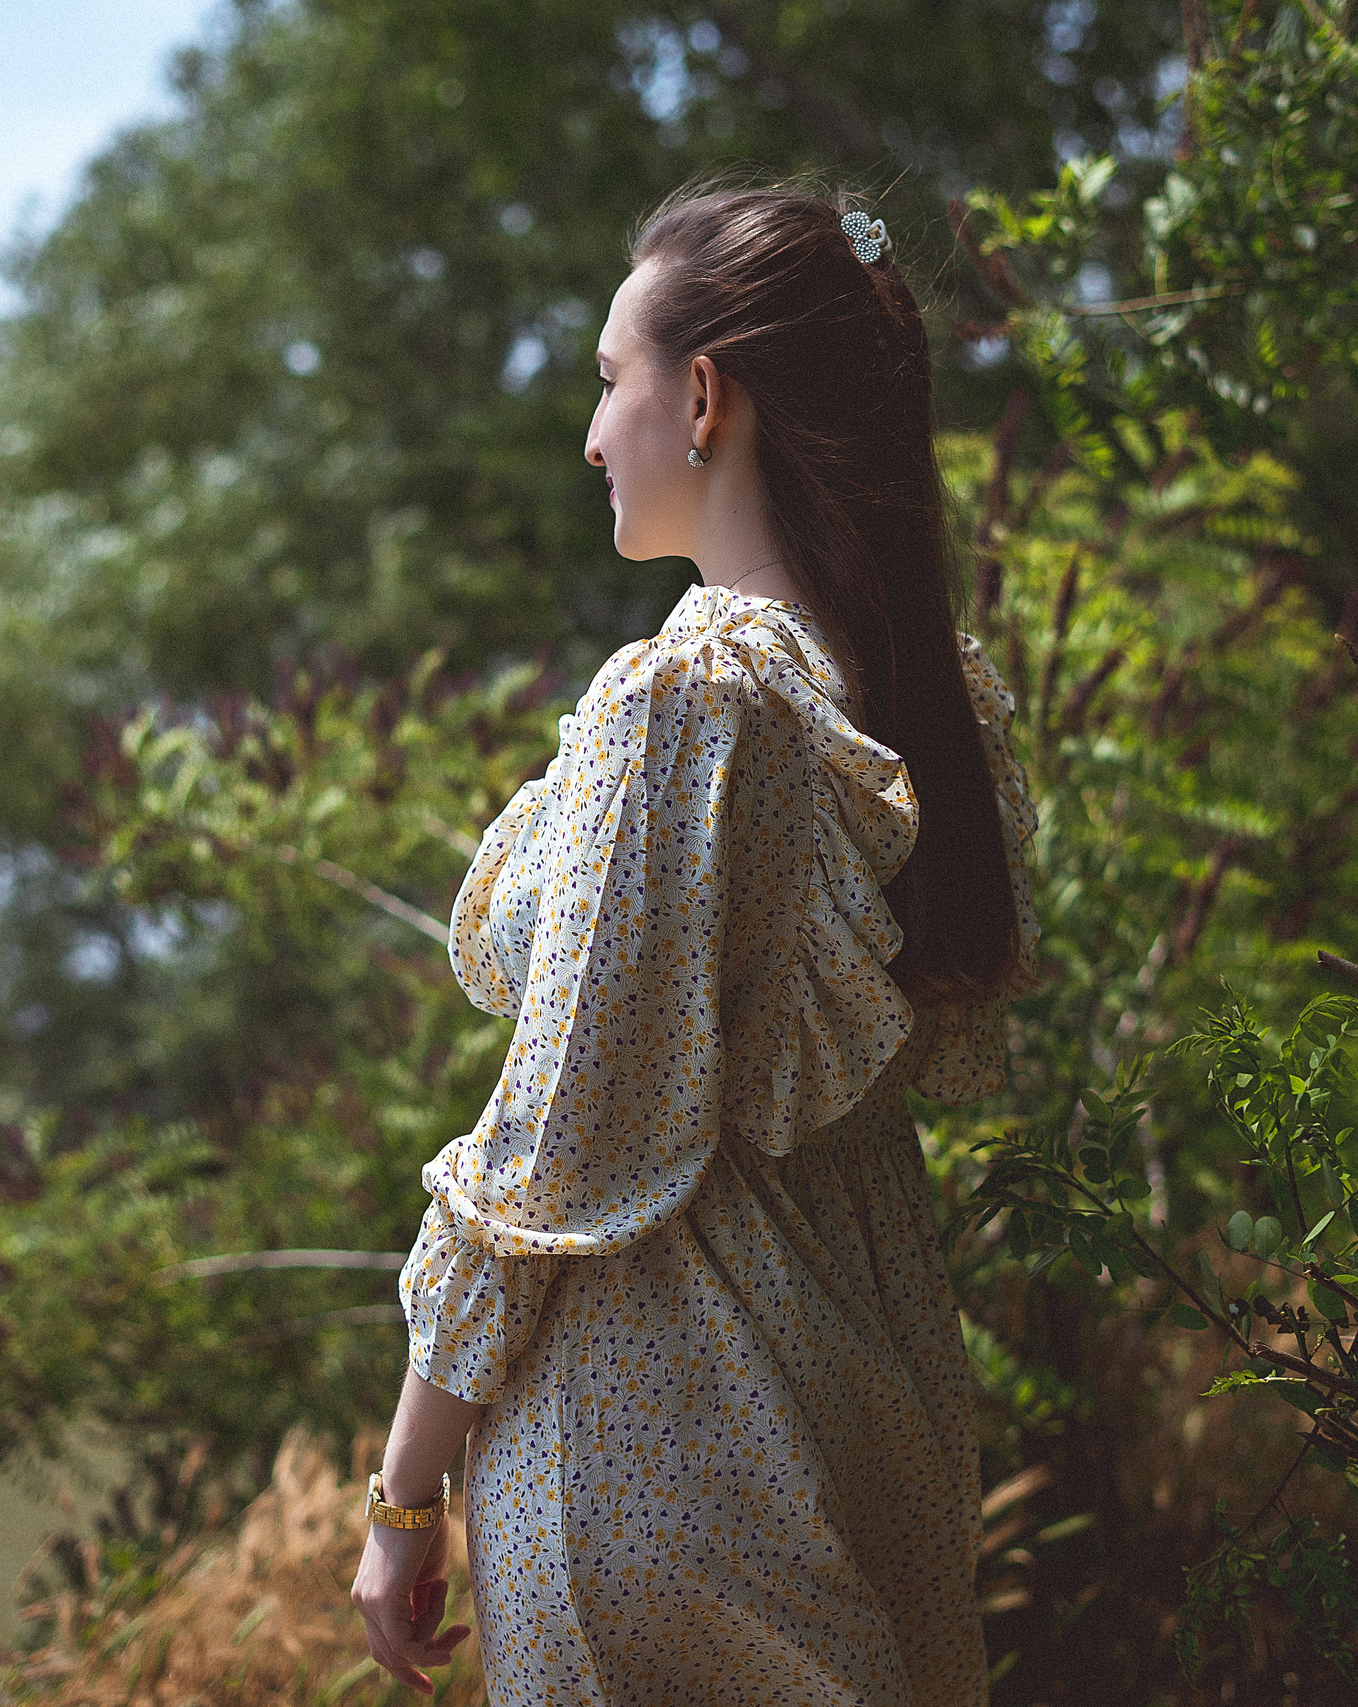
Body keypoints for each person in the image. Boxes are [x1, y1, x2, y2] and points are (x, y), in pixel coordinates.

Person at [348, 184, 1037, 1706]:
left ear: (706, 396)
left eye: (611, 381)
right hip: (875, 1387)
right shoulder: (925, 693)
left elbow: (556, 1148)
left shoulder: (691, 698)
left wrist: (404, 1493)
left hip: (665, 1418)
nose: (595, 435)